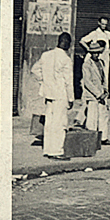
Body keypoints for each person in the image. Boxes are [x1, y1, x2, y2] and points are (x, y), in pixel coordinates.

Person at [31, 32, 74, 160]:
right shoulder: (66, 59)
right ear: (67, 43)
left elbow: (34, 69)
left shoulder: (46, 55)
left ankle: (48, 150)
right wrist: (71, 98)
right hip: (60, 95)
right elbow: (68, 81)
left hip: (48, 94)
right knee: (60, 124)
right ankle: (57, 151)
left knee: (49, 123)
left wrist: (44, 81)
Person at [81, 40, 110, 146]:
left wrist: (105, 90)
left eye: (98, 52)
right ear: (90, 53)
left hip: (102, 95)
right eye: (94, 53)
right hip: (93, 95)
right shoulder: (87, 65)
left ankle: (103, 138)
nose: (96, 54)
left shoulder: (101, 63)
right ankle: (91, 139)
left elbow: (104, 78)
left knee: (103, 116)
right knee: (92, 118)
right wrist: (98, 94)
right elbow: (87, 82)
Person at [79, 16, 110, 89]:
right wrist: (88, 49)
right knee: (94, 75)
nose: (104, 26)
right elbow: (82, 41)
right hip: (96, 56)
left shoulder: (107, 33)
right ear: (99, 23)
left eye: (105, 24)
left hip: (105, 56)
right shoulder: (94, 33)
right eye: (102, 24)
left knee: (105, 75)